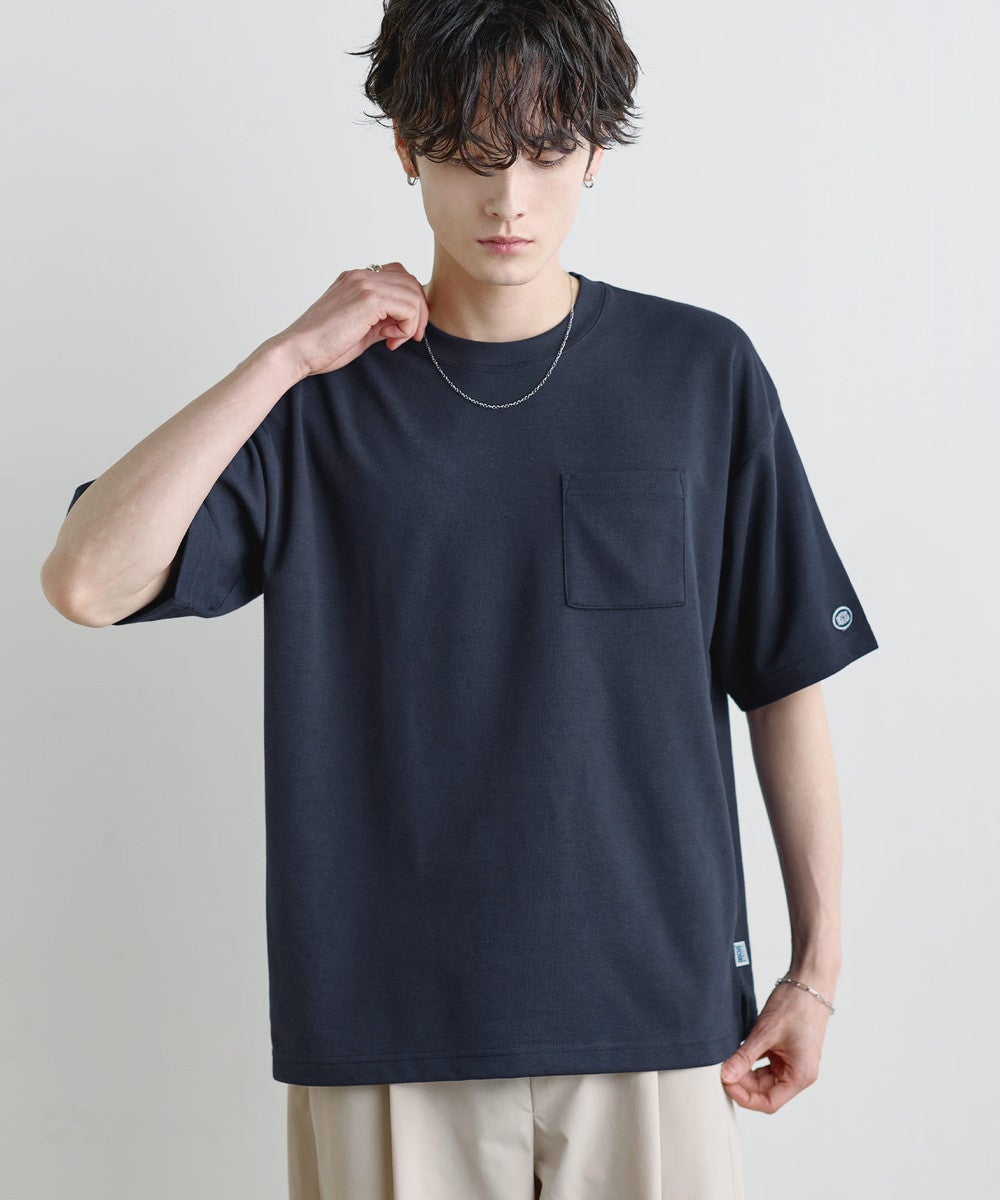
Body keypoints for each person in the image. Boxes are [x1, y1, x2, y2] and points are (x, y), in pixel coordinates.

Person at [41, 2, 879, 1197]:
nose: (509, 201)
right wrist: (284, 356)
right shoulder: (319, 405)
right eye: (470, 155)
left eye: (544, 153)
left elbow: (782, 679)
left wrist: (815, 971)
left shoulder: (698, 375)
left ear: (597, 149)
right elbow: (86, 580)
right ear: (406, 148)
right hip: (389, 1031)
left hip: (654, 1018)